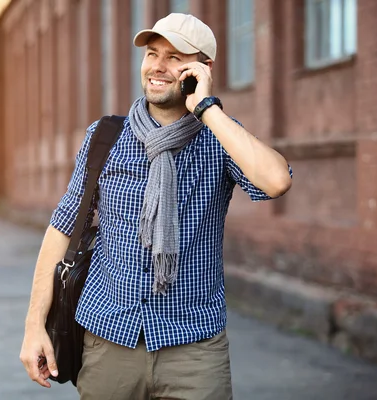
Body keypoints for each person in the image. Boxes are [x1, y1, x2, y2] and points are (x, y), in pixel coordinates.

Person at [20, 12, 292, 400]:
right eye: (152, 54)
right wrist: (34, 327)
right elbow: (62, 228)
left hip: (194, 348)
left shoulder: (222, 140)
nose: (158, 67)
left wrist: (208, 108)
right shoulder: (105, 136)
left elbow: (277, 181)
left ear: (202, 68)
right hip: (108, 339)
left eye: (174, 57)